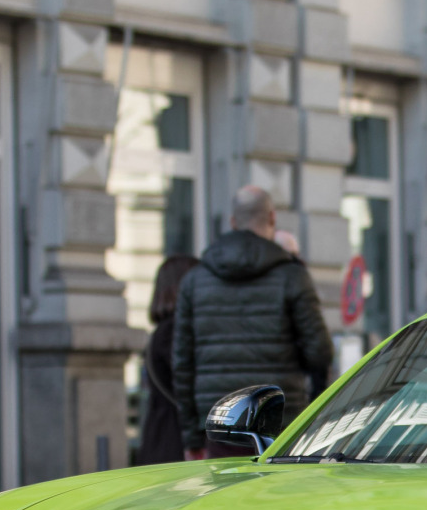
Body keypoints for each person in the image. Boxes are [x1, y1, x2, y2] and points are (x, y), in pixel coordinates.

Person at [173, 186, 334, 458]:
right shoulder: (292, 277)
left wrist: (191, 436)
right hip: (282, 422)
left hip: (219, 424)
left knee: (225, 498)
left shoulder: (194, 280)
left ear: (233, 222)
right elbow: (320, 352)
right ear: (272, 218)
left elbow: (182, 364)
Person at [134, 253, 198, 465]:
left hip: (164, 440)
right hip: (175, 443)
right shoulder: (173, 331)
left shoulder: (164, 330)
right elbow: (186, 382)